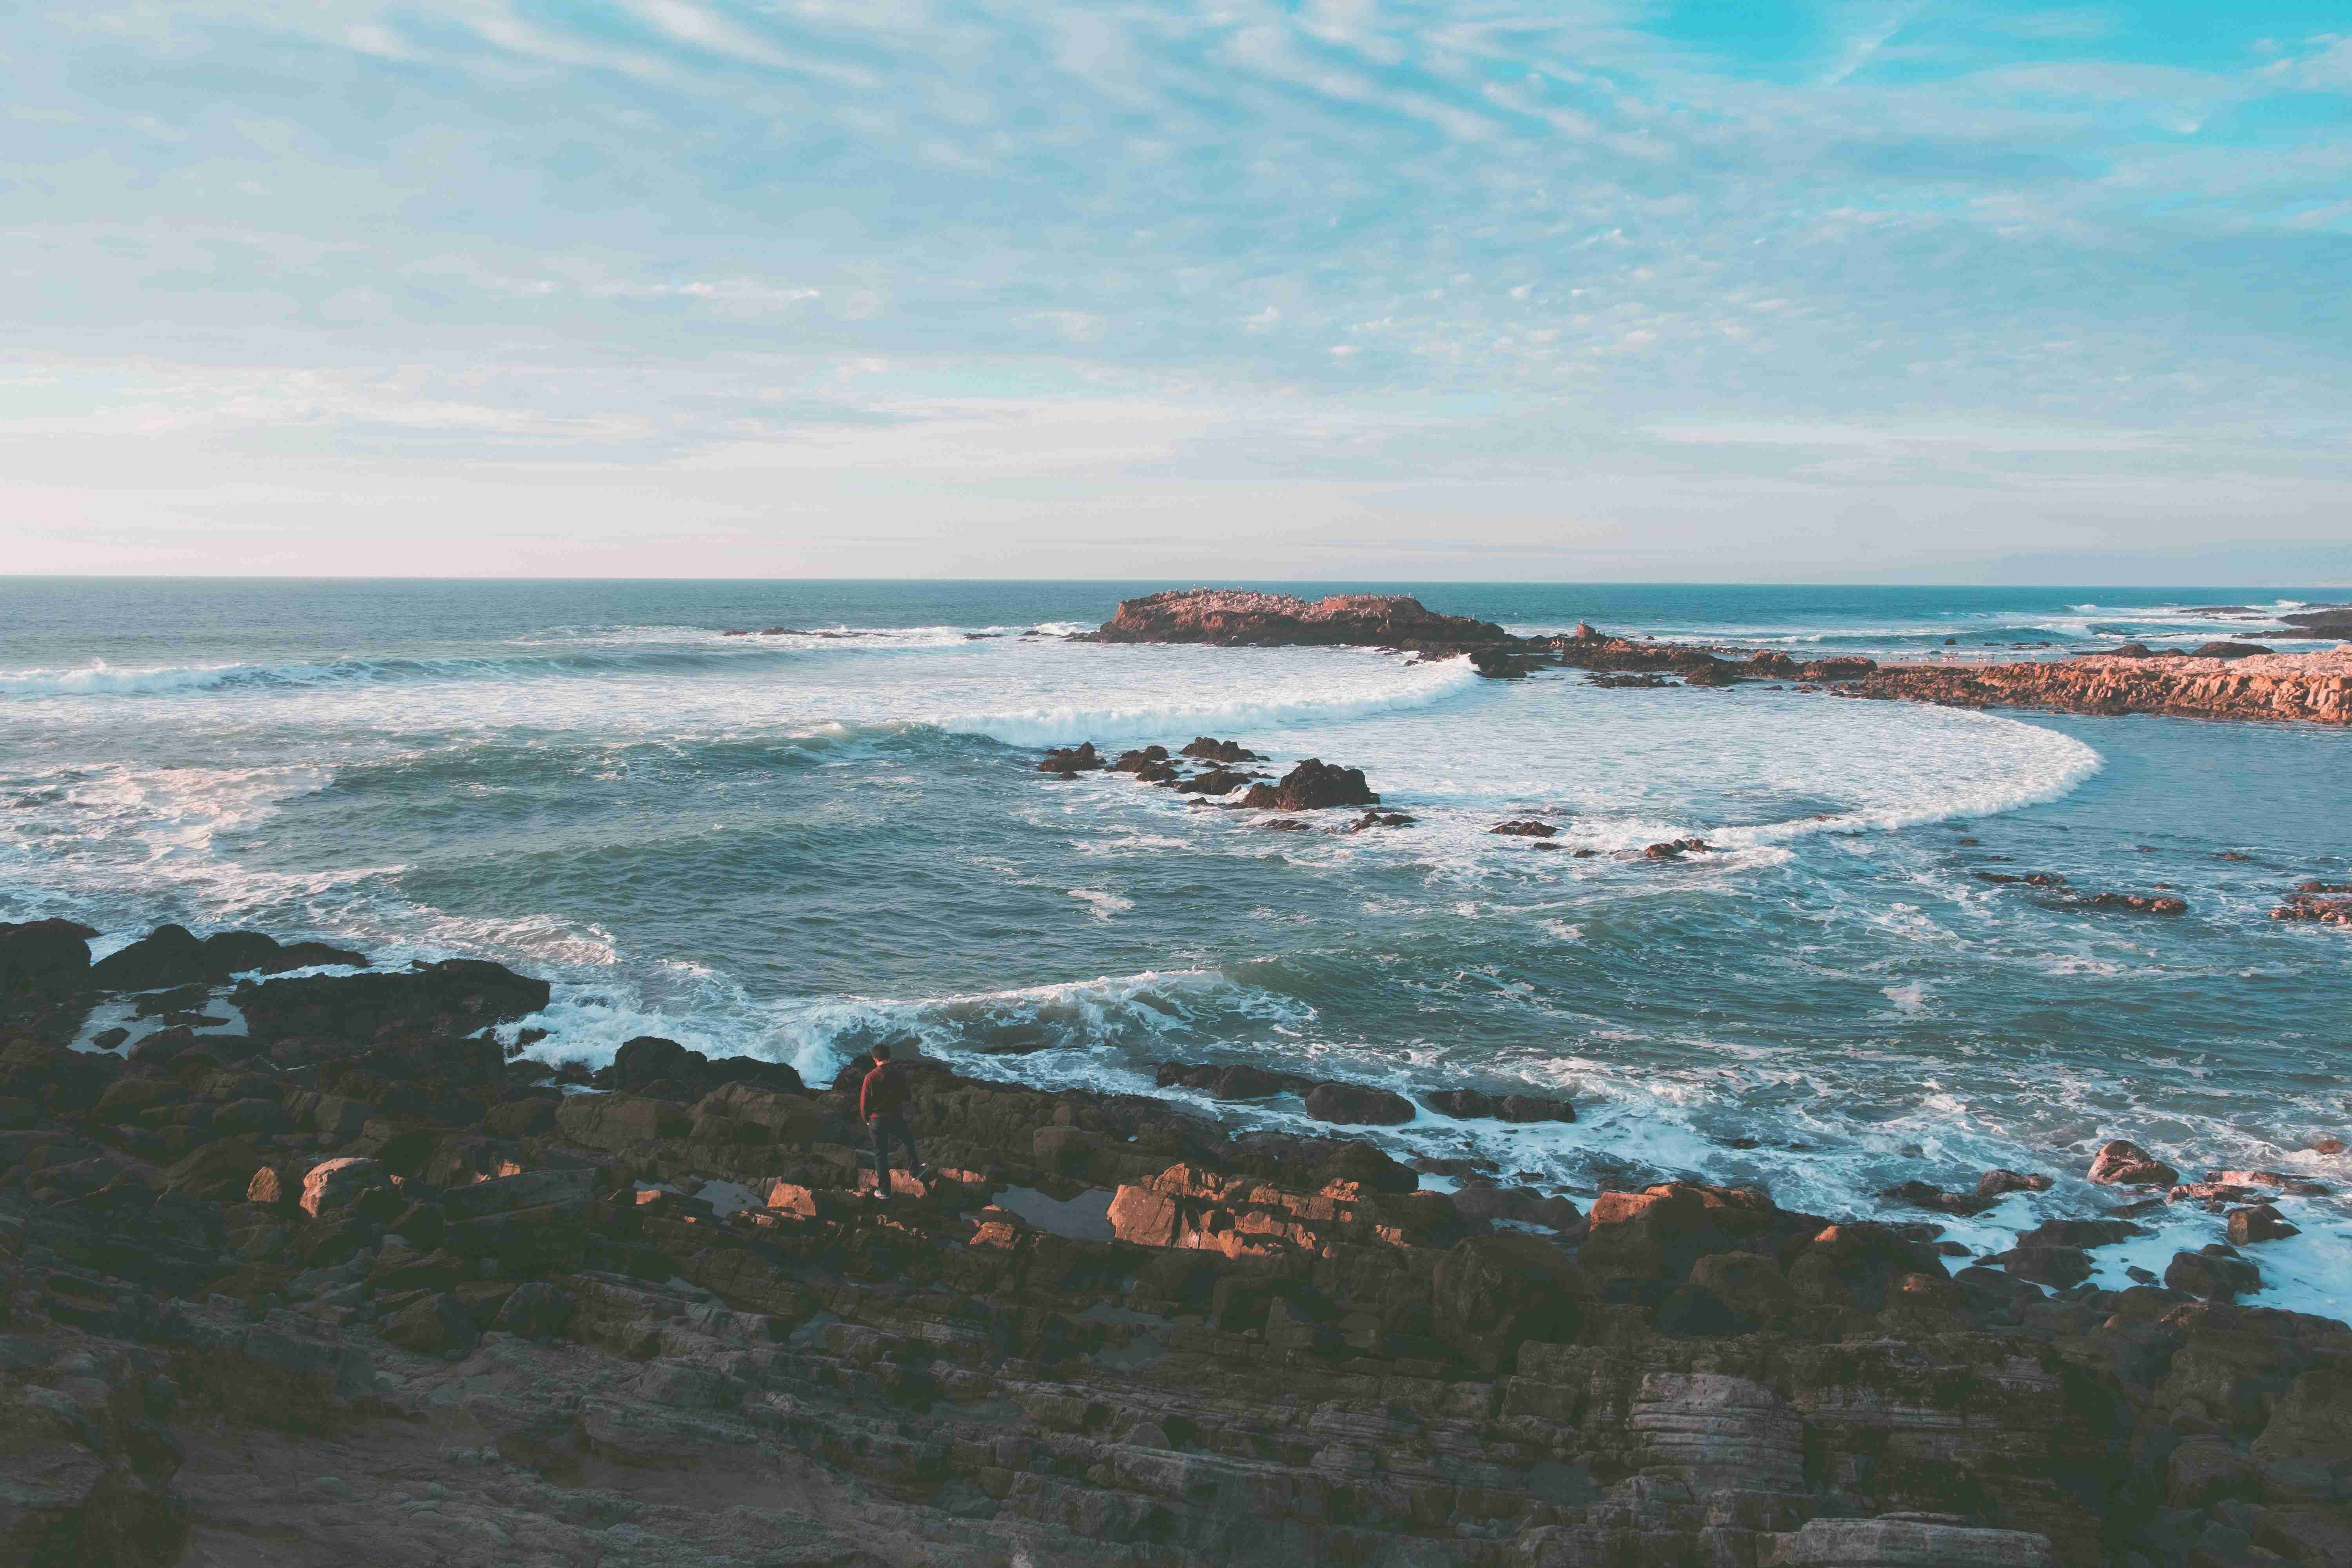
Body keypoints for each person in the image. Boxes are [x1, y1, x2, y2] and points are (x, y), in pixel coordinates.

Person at [859, 1042, 927, 1200]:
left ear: (875, 1060)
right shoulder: (899, 1074)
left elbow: (864, 1105)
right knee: (908, 1141)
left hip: (877, 1121)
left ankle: (885, 1191)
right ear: (889, 1057)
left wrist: (867, 1119)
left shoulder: (870, 1078)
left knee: (880, 1155)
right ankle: (915, 1172)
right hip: (895, 1117)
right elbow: (907, 1096)